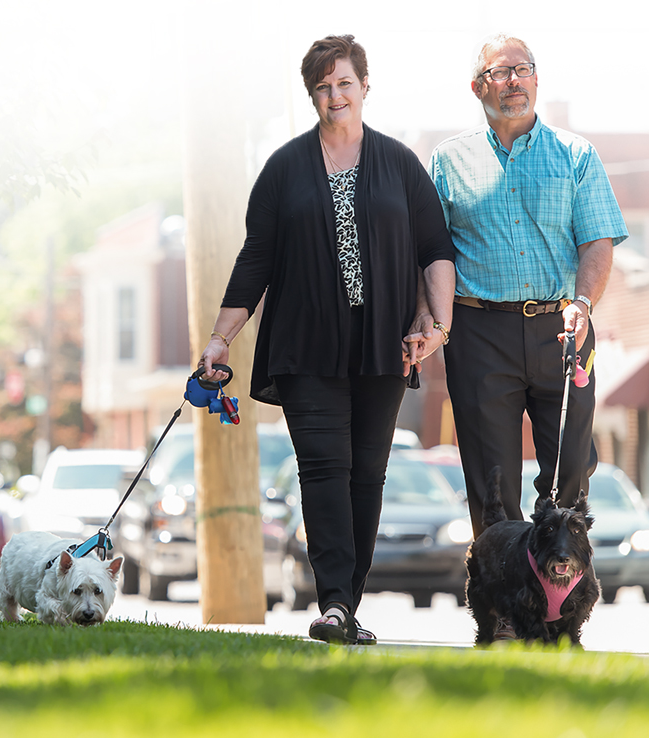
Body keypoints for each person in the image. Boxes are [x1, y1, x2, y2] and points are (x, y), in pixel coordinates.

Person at [197, 35, 456, 645]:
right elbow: (255, 258)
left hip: (383, 344)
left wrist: (437, 326)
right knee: (322, 469)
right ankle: (335, 603)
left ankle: (349, 600)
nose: (335, 96)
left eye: (344, 83)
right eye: (323, 86)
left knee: (367, 474)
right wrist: (219, 340)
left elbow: (435, 249)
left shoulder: (399, 164)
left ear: (365, 86)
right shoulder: (285, 169)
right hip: (306, 342)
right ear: (312, 94)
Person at [428, 34, 628, 627]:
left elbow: (597, 241)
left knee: (570, 469)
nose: (513, 80)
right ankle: (501, 616)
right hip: (479, 331)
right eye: (499, 72)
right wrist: (430, 323)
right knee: (492, 484)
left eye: (523, 70)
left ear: (537, 80)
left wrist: (583, 303)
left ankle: (563, 613)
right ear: (478, 87)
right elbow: (433, 253)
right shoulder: (448, 161)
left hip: (564, 328)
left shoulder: (576, 155)